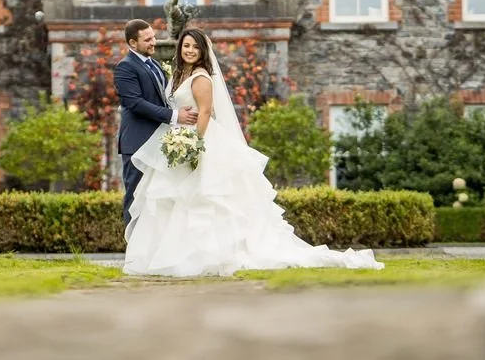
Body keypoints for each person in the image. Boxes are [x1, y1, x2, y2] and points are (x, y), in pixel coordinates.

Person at [121, 27, 385, 277]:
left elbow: (204, 113)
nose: (189, 50)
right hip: (181, 138)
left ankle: (209, 254)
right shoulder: (181, 74)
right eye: (186, 46)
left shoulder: (200, 78)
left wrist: (195, 146)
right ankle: (176, 254)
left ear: (203, 51)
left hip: (198, 141)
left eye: (194, 47)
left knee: (207, 200)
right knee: (177, 201)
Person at [113, 19, 197, 227]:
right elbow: (136, 103)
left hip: (158, 142)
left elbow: (164, 98)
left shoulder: (154, 65)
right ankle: (132, 250)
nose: (154, 42)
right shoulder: (125, 67)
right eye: (148, 39)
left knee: (155, 200)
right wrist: (175, 116)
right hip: (137, 143)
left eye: (153, 37)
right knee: (135, 197)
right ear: (133, 43)